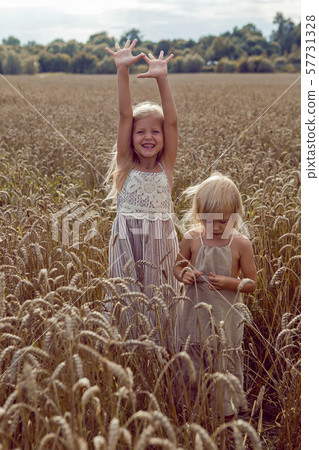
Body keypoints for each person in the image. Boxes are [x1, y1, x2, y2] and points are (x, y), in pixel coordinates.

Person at [104, 39, 180, 344]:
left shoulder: (166, 168)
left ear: (163, 137)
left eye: (155, 131)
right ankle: (129, 351)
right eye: (140, 131)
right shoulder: (125, 164)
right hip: (127, 242)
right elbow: (125, 115)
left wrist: (162, 78)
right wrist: (122, 71)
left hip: (161, 243)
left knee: (162, 302)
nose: (148, 136)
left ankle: (162, 348)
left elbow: (173, 121)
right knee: (128, 298)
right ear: (131, 137)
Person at [173, 172, 257, 420]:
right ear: (198, 214)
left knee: (222, 358)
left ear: (235, 216)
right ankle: (193, 406)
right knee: (194, 358)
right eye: (209, 221)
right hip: (194, 313)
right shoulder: (191, 238)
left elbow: (252, 282)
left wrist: (231, 282)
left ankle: (224, 409)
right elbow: (178, 267)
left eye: (223, 221)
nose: (216, 227)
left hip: (225, 316)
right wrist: (184, 274)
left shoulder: (241, 244)